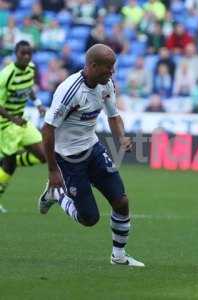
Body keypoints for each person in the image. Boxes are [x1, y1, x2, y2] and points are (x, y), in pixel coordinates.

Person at [38, 44, 145, 267]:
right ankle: (56, 195)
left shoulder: (106, 84)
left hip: (93, 149)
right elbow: (47, 130)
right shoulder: (69, 91)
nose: (112, 72)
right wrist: (52, 170)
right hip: (68, 159)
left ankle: (119, 256)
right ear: (93, 66)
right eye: (108, 68)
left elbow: (113, 116)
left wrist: (122, 138)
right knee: (89, 219)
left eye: (114, 67)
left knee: (121, 201)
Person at [0, 40, 47, 213]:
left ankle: (9, 160)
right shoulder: (6, 75)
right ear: (16, 54)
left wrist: (38, 103)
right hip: (5, 125)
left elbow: (28, 89)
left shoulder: (31, 69)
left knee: (44, 156)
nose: (26, 57)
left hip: (21, 122)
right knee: (8, 169)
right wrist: (12, 118)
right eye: (23, 53)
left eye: (29, 54)